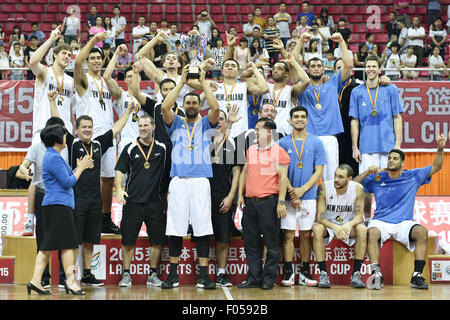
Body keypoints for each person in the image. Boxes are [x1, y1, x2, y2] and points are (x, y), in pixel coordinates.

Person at [50, 85, 134, 287]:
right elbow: (60, 125)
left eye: (90, 126)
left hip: (95, 200)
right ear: (77, 129)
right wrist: (52, 102)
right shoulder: (72, 143)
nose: (87, 129)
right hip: (76, 197)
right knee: (74, 239)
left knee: (89, 239)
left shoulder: (98, 144)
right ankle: (69, 276)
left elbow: (116, 129)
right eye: (83, 127)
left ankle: (87, 274)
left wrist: (129, 111)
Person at [354, 134, 448, 290]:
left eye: (395, 158)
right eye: (389, 158)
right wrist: (366, 173)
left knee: (422, 232)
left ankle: (416, 275)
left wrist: (440, 148)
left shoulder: (413, 176)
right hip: (381, 221)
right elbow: (352, 186)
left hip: (404, 222)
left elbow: (436, 166)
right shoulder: (378, 177)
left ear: (403, 162)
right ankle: (376, 274)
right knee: (372, 232)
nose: (391, 160)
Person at [160, 64, 219, 290]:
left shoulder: (205, 123)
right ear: (183, 106)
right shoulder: (176, 122)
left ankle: (204, 276)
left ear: (199, 105)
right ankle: (172, 274)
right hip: (179, 181)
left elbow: (215, 107)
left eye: (195, 102)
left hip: (201, 180)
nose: (192, 105)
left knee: (203, 227)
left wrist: (203, 81)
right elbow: (165, 106)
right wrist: (182, 83)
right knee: (175, 227)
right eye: (188, 102)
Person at [27, 123, 93, 296]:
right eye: (64, 135)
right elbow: (69, 182)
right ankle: (70, 282)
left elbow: (65, 177)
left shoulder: (53, 156)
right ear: (57, 139)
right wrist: (81, 168)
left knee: (47, 246)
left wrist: (77, 168)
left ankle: (35, 281)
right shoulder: (53, 157)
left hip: (55, 205)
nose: (66, 137)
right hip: (59, 206)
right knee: (68, 245)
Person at [74, 32, 120, 234]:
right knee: (86, 176)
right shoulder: (84, 81)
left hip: (108, 132)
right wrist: (92, 41)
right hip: (89, 135)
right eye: (91, 58)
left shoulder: (106, 82)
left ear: (102, 60)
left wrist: (117, 54)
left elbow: (117, 91)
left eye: (98, 58)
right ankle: (82, 214)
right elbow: (76, 63)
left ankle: (105, 217)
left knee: (108, 179)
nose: (95, 61)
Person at [236, 117, 290, 290]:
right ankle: (254, 277)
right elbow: (244, 173)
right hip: (250, 203)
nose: (255, 132)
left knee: (272, 243)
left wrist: (281, 201)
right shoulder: (251, 150)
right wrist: (240, 195)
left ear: (269, 132)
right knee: (250, 242)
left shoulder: (279, 151)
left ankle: (268, 279)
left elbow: (283, 178)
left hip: (269, 202)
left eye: (258, 129)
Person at [17, 113, 69, 290]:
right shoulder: (37, 147)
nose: (64, 135)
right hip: (43, 194)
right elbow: (24, 164)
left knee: (65, 237)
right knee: (43, 237)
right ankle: (44, 277)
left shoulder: (67, 146)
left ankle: (63, 277)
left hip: (63, 195)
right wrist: (23, 169)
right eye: (61, 132)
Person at [115, 115, 168, 287]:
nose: (143, 128)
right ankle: (126, 274)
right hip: (133, 202)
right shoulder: (130, 148)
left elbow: (168, 172)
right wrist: (119, 189)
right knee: (128, 240)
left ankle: (152, 274)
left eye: (146, 125)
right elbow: (120, 170)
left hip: (155, 202)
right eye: (140, 126)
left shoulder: (162, 148)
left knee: (157, 240)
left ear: (153, 127)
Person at [350, 55, 403, 222]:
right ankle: (366, 219)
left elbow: (397, 117)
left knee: (389, 185)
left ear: (379, 69)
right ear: (364, 69)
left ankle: (387, 218)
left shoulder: (391, 89)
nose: (370, 69)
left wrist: (397, 145)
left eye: (374, 66)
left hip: (388, 146)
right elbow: (354, 121)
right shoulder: (357, 92)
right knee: (365, 187)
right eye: (368, 66)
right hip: (366, 146)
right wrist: (355, 147)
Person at [278, 107, 326, 288]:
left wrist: (302, 190)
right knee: (288, 235)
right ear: (290, 120)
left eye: (303, 117)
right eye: (296, 117)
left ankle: (305, 273)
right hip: (288, 197)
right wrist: (293, 192)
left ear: (307, 119)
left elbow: (319, 171)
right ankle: (289, 273)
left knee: (306, 235)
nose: (299, 119)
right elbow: (281, 173)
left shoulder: (316, 142)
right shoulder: (282, 143)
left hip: (309, 196)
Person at [297, 32, 353, 182]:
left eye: (319, 66)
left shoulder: (333, 83)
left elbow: (348, 65)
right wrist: (300, 41)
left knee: (330, 177)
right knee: (307, 174)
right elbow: (293, 63)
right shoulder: (303, 86)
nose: (316, 68)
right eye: (312, 66)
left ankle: (329, 205)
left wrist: (341, 41)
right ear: (307, 70)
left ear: (323, 69)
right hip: (309, 136)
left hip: (329, 136)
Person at [313, 164, 367, 288]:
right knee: (317, 228)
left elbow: (359, 216)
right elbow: (320, 217)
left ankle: (356, 274)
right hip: (329, 226)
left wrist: (349, 224)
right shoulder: (324, 187)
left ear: (349, 179)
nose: (336, 179)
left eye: (341, 177)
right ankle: (323, 273)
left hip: (348, 226)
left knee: (362, 229)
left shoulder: (358, 189)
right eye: (335, 175)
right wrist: (334, 227)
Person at [208, 109, 242, 287]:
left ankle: (221, 274)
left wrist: (230, 197)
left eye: (222, 119)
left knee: (223, 238)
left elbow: (237, 174)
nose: (219, 121)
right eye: (217, 119)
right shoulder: (203, 142)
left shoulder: (233, 145)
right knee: (203, 236)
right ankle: (203, 275)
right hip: (203, 197)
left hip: (223, 196)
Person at [261, 49, 310, 136]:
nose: (275, 70)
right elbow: (246, 78)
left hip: (284, 133)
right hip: (265, 133)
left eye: (279, 69)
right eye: (274, 68)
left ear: (286, 74)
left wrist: (293, 62)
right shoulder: (265, 87)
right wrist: (257, 65)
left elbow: (306, 81)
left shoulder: (290, 90)